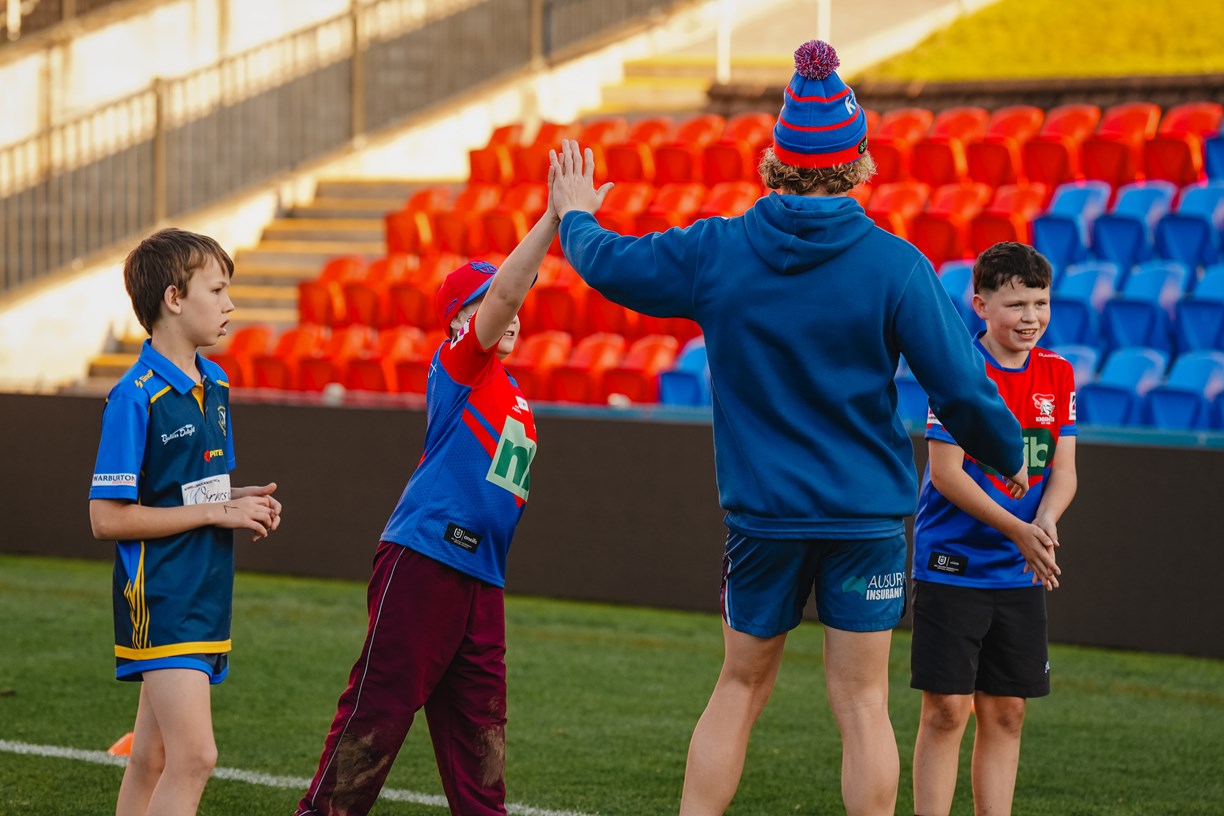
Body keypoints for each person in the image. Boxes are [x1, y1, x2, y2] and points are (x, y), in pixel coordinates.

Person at [549, 39, 1035, 816]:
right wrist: (1007, 452)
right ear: (858, 161)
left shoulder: (717, 251)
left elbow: (607, 264)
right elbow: (963, 387)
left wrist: (574, 214)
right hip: (864, 519)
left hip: (763, 518)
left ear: (776, 160)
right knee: (863, 704)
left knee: (739, 685)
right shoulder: (895, 265)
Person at [294, 173, 559, 816]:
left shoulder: (514, 395)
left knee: (481, 735)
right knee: (378, 711)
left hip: (481, 578)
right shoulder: (461, 364)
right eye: (487, 303)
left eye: (505, 302)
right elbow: (509, 291)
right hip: (426, 559)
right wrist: (554, 217)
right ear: (460, 322)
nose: (509, 310)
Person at [88, 227, 283, 816]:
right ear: (174, 299)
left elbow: (195, 491)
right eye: (217, 291)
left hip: (206, 591)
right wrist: (217, 510)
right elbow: (106, 518)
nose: (230, 305)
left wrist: (240, 500)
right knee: (195, 757)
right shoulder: (134, 397)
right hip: (161, 595)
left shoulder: (215, 383)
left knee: (150, 758)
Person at [910, 241, 1075, 816]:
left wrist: (1044, 522)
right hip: (952, 566)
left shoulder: (1058, 372)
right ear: (980, 306)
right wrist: (1018, 530)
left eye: (1040, 303)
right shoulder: (959, 370)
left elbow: (1064, 471)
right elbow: (946, 474)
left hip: (1017, 570)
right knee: (946, 710)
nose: (1031, 317)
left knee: (1007, 711)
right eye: (1016, 304)